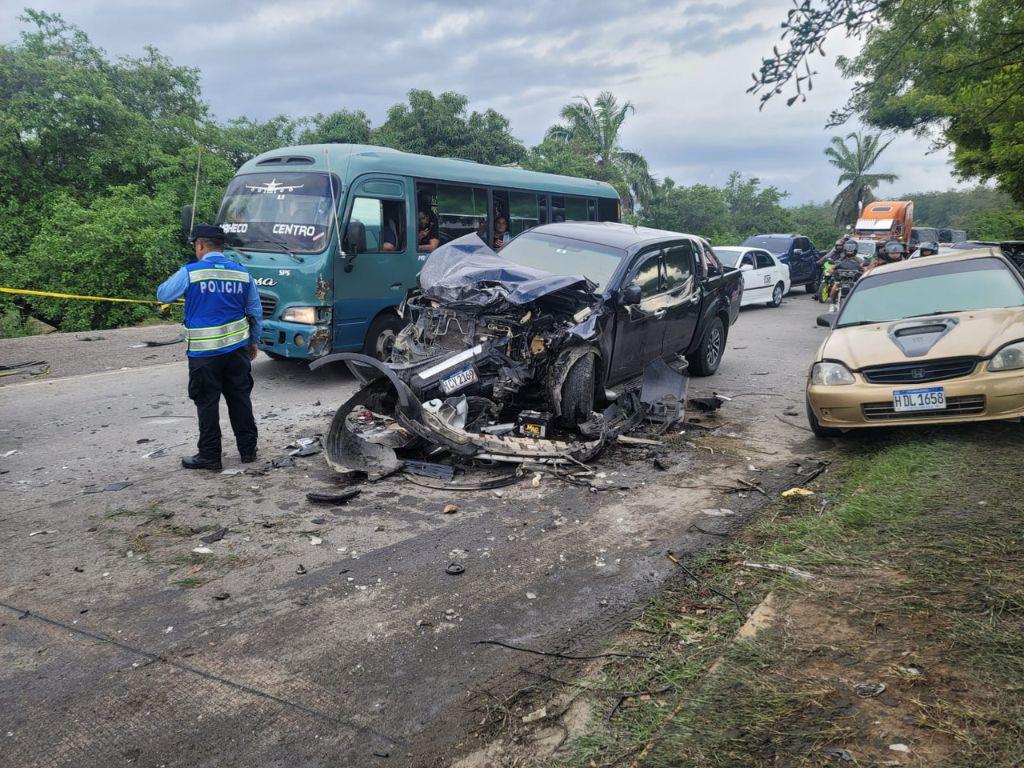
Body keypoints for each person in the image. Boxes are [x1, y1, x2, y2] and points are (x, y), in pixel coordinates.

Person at [157, 225, 263, 471]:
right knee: (240, 399)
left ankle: (210, 456)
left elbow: (163, 294)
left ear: (201, 246)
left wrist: (186, 272)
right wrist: (253, 342)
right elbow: (255, 311)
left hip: (204, 354)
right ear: (221, 247)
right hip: (237, 351)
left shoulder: (191, 272)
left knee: (207, 403)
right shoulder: (242, 273)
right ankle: (248, 451)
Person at [827, 239, 865, 311]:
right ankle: (832, 303)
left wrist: (864, 271)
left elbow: (865, 268)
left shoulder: (860, 260)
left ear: (855, 248)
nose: (849, 249)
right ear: (844, 248)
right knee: (834, 289)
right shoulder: (840, 259)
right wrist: (831, 270)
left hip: (854, 282)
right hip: (841, 281)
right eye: (848, 247)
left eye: (852, 247)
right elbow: (832, 267)